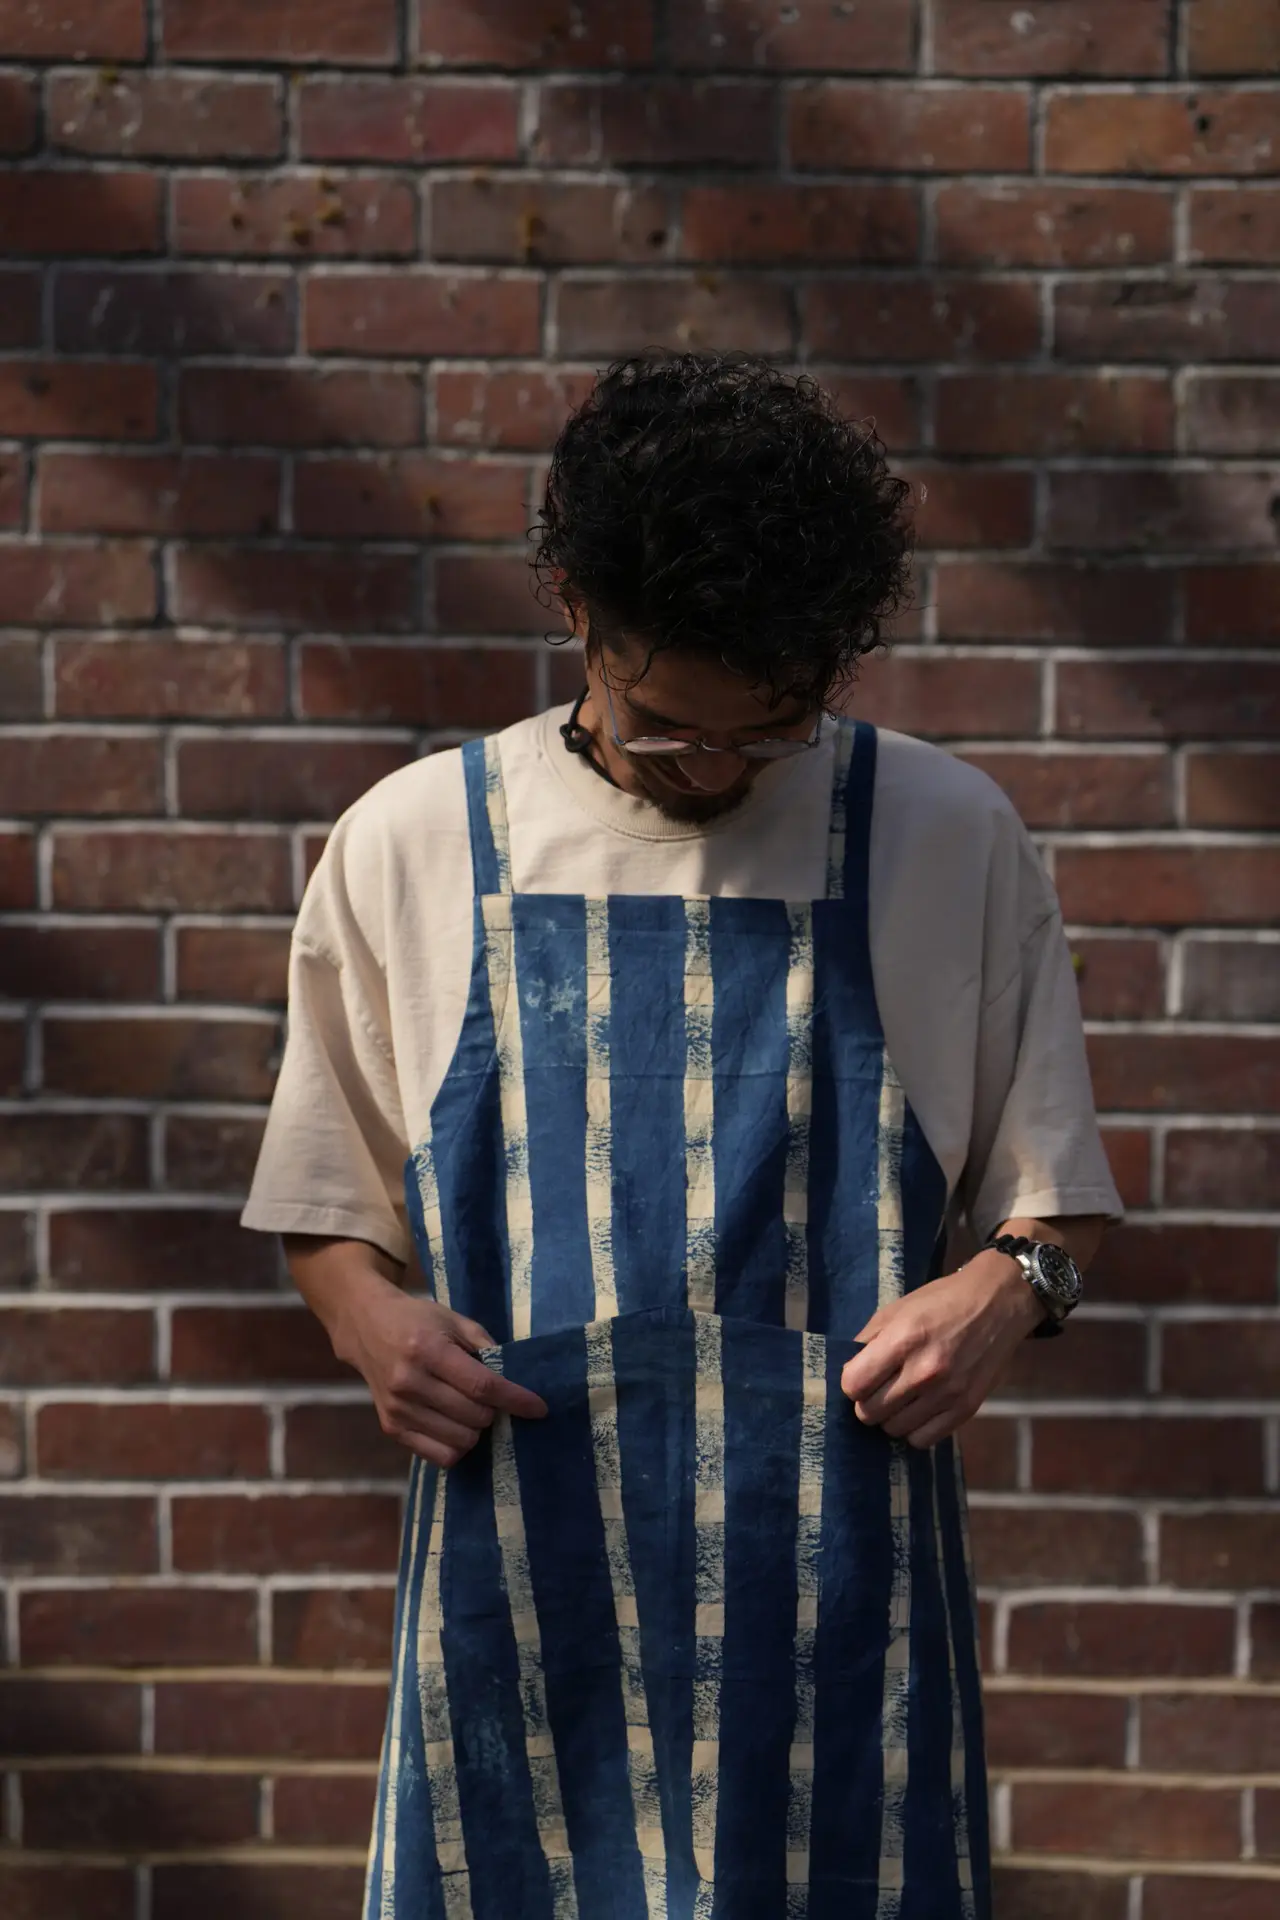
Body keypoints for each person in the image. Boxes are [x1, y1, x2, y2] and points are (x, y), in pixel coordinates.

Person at [242, 351, 1120, 1920]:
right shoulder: (416, 844)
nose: (713, 770)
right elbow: (329, 1201)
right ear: (572, 604)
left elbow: (1055, 1209)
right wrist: (368, 1322)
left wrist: (1006, 1296)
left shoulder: (948, 838)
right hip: (520, 1614)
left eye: (769, 734)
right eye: (664, 730)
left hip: (846, 1613)